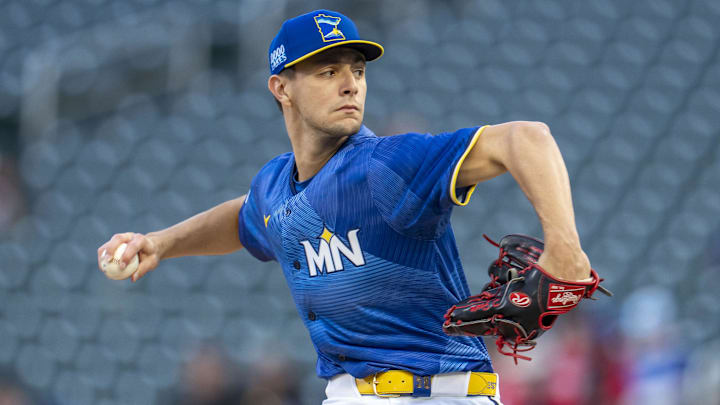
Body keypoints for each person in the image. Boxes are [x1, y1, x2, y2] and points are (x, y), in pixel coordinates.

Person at [97, 9, 592, 404]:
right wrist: (160, 242)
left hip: (446, 393)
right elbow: (244, 217)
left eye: (357, 70)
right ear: (281, 87)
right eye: (328, 71)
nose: (351, 83)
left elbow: (527, 138)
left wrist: (564, 248)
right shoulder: (274, 186)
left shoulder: (388, 164)